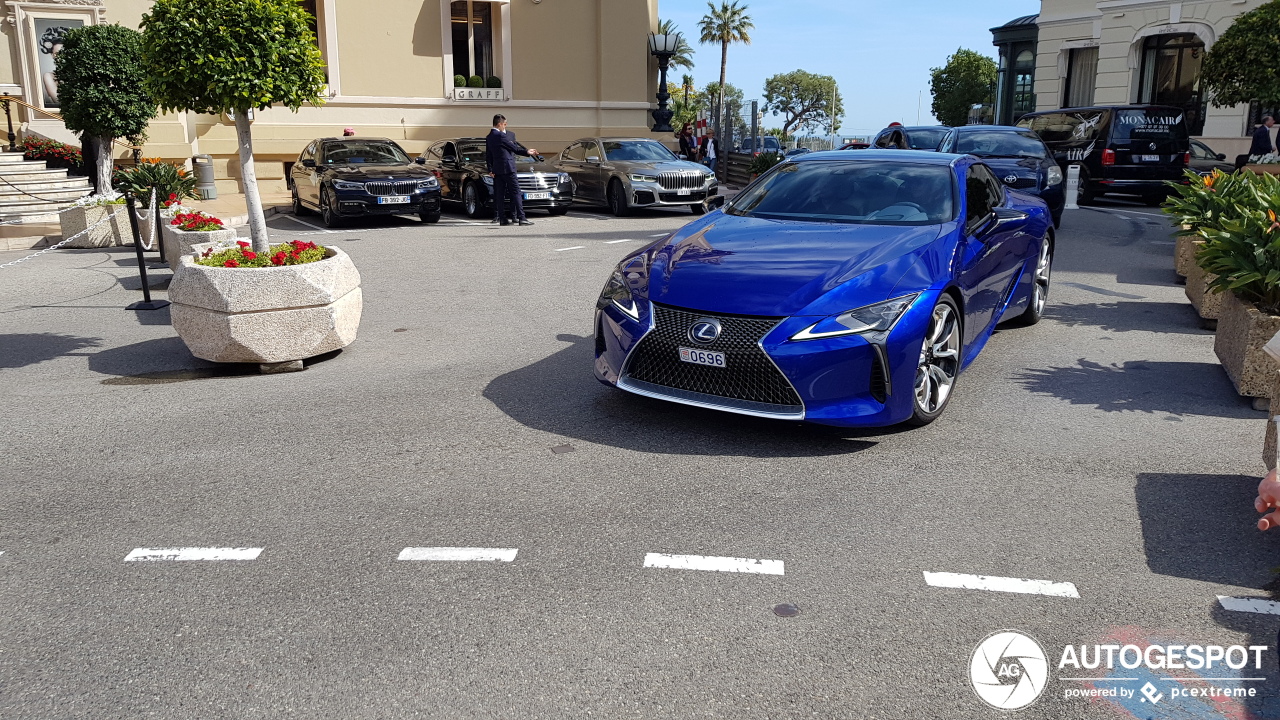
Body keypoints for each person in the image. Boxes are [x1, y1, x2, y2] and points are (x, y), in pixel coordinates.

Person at [485, 114, 537, 226]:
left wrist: (490, 169)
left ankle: (503, 219)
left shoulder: (489, 137)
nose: (505, 127)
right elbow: (514, 149)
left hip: (497, 170)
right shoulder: (500, 136)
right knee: (516, 192)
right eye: (504, 124)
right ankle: (521, 218)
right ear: (499, 124)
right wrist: (527, 152)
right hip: (508, 168)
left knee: (500, 195)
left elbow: (488, 155)